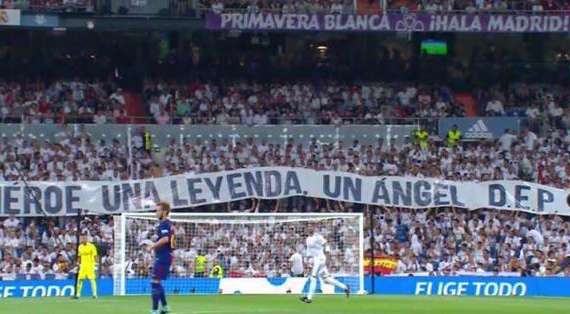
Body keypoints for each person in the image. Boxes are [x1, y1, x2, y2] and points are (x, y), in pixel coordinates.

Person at [300, 224, 349, 304]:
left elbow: (326, 245)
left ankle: (309, 298)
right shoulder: (308, 239)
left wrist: (328, 256)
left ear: (314, 228)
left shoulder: (318, 237)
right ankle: (345, 287)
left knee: (313, 277)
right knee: (326, 279)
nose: (309, 228)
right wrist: (308, 261)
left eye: (311, 226)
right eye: (308, 226)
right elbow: (309, 251)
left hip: (320, 259)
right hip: (315, 260)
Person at [148, 202, 174, 314]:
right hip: (164, 255)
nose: (156, 213)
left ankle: (154, 310)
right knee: (157, 282)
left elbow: (165, 239)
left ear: (164, 212)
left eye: (157, 210)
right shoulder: (169, 224)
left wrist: (152, 246)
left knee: (154, 281)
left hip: (163, 256)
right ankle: (164, 307)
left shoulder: (164, 224)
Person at [74, 234, 98, 299]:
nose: (83, 240)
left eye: (85, 238)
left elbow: (95, 255)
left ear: (87, 239)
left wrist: (96, 264)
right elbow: (79, 256)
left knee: (92, 279)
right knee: (80, 279)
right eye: (82, 238)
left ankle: (94, 294)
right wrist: (77, 263)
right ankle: (78, 294)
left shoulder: (92, 246)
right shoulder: (80, 247)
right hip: (83, 265)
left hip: (90, 265)